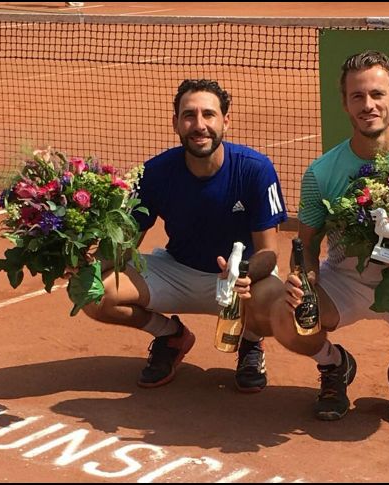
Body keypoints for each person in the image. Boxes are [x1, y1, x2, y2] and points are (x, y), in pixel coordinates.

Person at [253, 51, 389, 425]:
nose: (368, 104)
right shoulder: (321, 173)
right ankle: (334, 366)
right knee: (285, 315)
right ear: (345, 103)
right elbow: (305, 245)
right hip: (344, 280)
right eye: (358, 96)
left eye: (377, 94)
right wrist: (305, 279)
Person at [81, 79, 288, 392]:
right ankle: (170, 335)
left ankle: (250, 342)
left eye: (209, 115)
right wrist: (89, 266)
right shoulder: (155, 173)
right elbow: (126, 245)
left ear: (225, 122)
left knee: (277, 305)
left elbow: (269, 253)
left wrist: (242, 272)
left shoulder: (255, 169)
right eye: (189, 115)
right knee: (94, 293)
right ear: (175, 123)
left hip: (239, 281)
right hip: (177, 272)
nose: (199, 125)